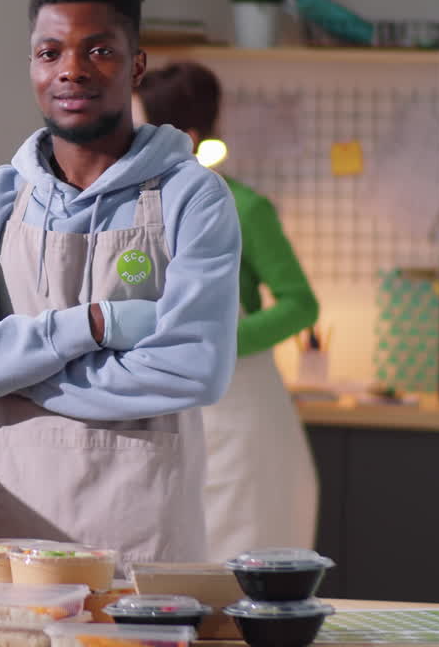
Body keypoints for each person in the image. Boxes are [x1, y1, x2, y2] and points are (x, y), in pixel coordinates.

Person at [0, 0, 242, 577]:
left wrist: (14, 376)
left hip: (142, 546)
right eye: (49, 51)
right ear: (32, 65)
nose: (71, 69)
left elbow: (194, 370)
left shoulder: (192, 198)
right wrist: (91, 324)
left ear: (136, 64)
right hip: (7, 537)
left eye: (99, 50)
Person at [137, 61, 319, 560]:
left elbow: (301, 304)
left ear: (185, 136)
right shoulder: (136, 209)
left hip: (240, 419)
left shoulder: (244, 207)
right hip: (170, 412)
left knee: (241, 566)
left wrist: (219, 340)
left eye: (139, 127)